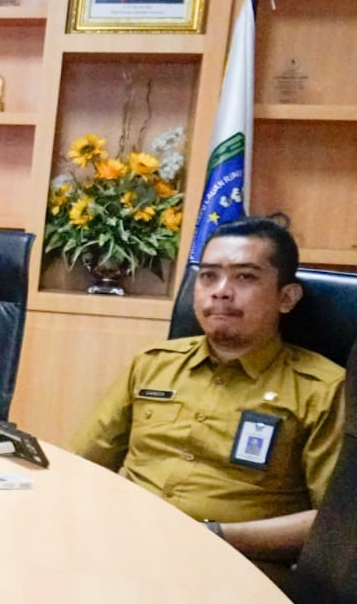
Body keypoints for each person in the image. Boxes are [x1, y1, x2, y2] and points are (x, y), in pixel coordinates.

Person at [69, 218, 346, 563]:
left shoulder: (324, 391)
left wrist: (212, 536)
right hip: (127, 545)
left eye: (245, 277)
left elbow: (337, 522)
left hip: (235, 564)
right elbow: (80, 464)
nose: (221, 291)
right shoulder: (153, 365)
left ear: (286, 297)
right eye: (208, 276)